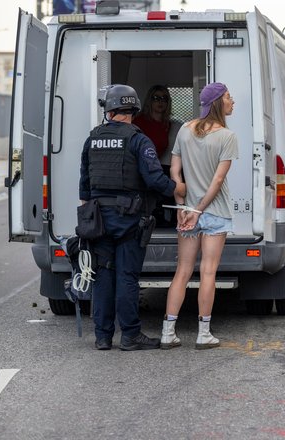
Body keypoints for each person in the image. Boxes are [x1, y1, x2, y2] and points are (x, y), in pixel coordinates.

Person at [79, 84, 186, 351]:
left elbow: (84, 184)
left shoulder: (92, 138)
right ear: (133, 109)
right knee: (126, 276)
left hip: (98, 219)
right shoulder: (138, 140)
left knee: (102, 275)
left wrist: (89, 217)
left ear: (109, 109)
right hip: (128, 218)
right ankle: (130, 335)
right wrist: (177, 189)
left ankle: (103, 337)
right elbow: (154, 179)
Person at [161, 82, 238, 350]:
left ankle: (168, 332)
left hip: (188, 212)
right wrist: (198, 211)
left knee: (182, 271)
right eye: (228, 97)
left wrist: (183, 207)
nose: (232, 101)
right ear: (218, 102)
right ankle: (203, 334)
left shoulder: (184, 129)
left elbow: (175, 173)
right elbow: (217, 182)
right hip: (214, 213)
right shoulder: (227, 136)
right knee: (208, 272)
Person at [132, 85, 183, 174]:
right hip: (139, 169)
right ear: (149, 101)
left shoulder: (167, 124)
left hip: (155, 168)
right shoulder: (139, 121)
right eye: (156, 98)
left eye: (164, 98)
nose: (160, 102)